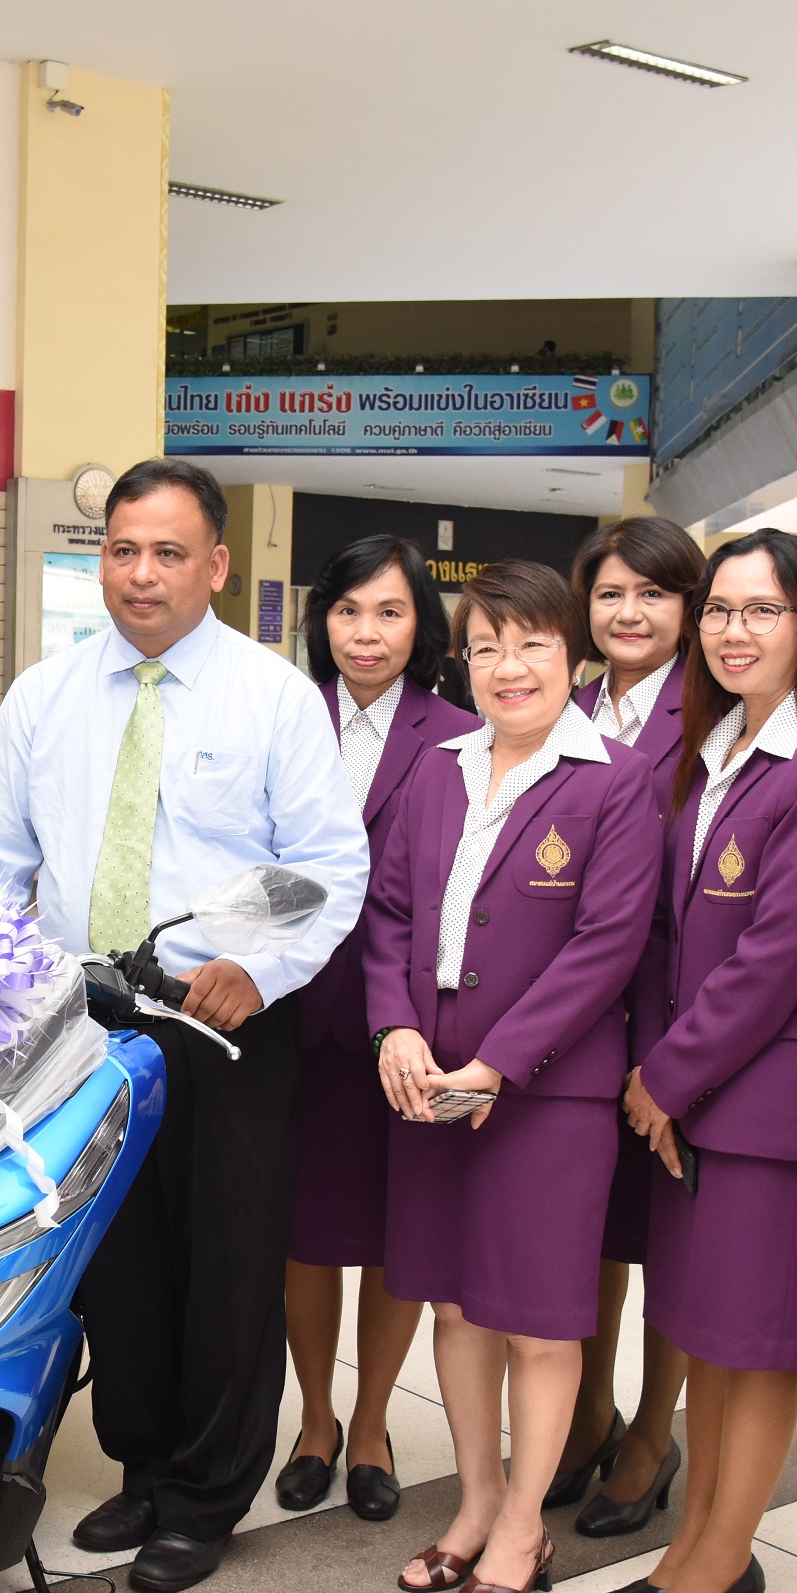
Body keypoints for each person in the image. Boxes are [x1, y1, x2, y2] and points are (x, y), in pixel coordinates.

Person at [0, 458, 367, 1593]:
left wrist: (259, 970)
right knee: (116, 1263)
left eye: (169, 552)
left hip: (222, 1019)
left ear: (216, 565)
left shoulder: (273, 696)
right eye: (123, 549)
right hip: (83, 1025)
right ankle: (141, 1464)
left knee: (226, 1264)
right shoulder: (44, 696)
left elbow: (328, 866)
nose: (142, 573)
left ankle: (205, 1493)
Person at [364, 562, 661, 1593]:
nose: (508, 666)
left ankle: (526, 1523)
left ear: (571, 656)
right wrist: (395, 1026)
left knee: (537, 1320)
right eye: (486, 646)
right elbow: (390, 915)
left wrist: (500, 1062)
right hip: (428, 1079)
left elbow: (607, 945)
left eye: (531, 643)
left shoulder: (616, 780)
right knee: (454, 1304)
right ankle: (477, 1500)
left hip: (547, 1093)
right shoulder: (435, 771)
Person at [608, 529, 797, 1593]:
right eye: (720, 609)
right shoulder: (710, 748)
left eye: (762, 611)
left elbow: (779, 955)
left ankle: (724, 1560)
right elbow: (665, 929)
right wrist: (654, 1072)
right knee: (701, 1333)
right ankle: (695, 1541)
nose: (733, 630)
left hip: (763, 1107)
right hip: (687, 1098)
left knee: (753, 1343)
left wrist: (665, 1079)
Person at [276, 535, 473, 1523]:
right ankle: (314, 1418)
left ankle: (372, 1423)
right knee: (306, 1235)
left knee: (397, 1235)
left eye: (390, 612)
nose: (367, 632)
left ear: (420, 625)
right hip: (290, 1016)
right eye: (348, 610)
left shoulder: (463, 733)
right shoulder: (284, 713)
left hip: (409, 1029)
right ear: (324, 621)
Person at [555, 517, 699, 1539]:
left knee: (673, 1238)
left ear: (688, 607)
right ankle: (587, 1413)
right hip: (576, 1012)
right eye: (610, 594)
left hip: (676, 1008)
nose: (629, 613)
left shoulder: (719, 711)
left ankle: (652, 1431)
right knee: (591, 1229)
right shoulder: (563, 704)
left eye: (652, 594)